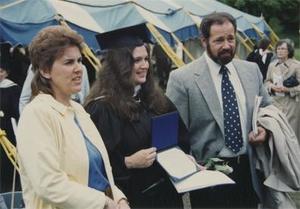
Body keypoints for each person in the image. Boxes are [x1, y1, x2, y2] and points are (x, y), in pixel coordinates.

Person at [166, 12, 272, 208]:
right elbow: (173, 134)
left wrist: (265, 130)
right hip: (209, 177)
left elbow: (268, 110)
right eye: (219, 40)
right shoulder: (182, 79)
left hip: (248, 172)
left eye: (231, 38)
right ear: (204, 41)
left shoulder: (251, 71)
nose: (227, 45)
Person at [16, 25, 130, 209]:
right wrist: (104, 203)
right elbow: (49, 184)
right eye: (69, 62)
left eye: (80, 61)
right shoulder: (36, 114)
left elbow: (100, 172)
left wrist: (119, 198)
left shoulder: (78, 109)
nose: (79, 69)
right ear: (45, 70)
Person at [84, 25, 189, 208]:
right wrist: (127, 162)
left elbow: (181, 137)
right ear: (120, 64)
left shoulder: (157, 101)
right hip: (133, 199)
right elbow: (93, 163)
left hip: (168, 196)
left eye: (146, 59)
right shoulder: (102, 109)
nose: (145, 65)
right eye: (137, 60)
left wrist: (185, 158)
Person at [265, 39, 300, 151]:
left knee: (291, 133)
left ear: (289, 51)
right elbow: (267, 81)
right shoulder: (272, 65)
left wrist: (288, 89)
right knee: (277, 132)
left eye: (283, 49)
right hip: (276, 103)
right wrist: (271, 87)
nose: (280, 51)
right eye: (278, 49)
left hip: (291, 105)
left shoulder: (296, 66)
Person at [19, 62, 90, 113]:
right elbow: (25, 98)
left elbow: (86, 96)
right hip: (48, 111)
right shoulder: (39, 65)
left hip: (75, 111)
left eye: (79, 59)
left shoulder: (82, 68)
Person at [0, 61, 21, 192]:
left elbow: (16, 110)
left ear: (6, 72)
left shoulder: (12, 88)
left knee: (6, 162)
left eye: (1, 71)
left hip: (7, 130)